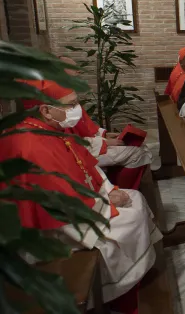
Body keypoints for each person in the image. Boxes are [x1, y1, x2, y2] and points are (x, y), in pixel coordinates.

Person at [0, 80, 162, 312]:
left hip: (75, 207)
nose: (77, 109)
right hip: (54, 229)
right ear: (45, 110)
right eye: (71, 104)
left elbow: (82, 166)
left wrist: (108, 191)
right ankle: (116, 289)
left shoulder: (48, 130)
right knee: (131, 217)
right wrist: (105, 203)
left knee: (134, 199)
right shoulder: (30, 145)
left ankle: (130, 277)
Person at [58, 57, 153, 189]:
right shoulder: (59, 98)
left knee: (141, 147)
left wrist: (105, 134)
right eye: (74, 68)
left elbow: (85, 124)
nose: (78, 71)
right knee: (138, 153)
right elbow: (73, 138)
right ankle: (122, 187)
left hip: (91, 143)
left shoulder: (66, 92)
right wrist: (105, 141)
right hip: (82, 151)